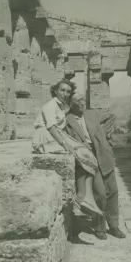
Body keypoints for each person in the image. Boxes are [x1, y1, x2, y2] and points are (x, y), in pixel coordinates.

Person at [32, 79, 103, 217]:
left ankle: (86, 197)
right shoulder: (49, 105)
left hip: (57, 135)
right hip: (46, 137)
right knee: (82, 155)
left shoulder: (63, 106)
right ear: (55, 91)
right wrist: (66, 145)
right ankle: (82, 198)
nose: (65, 93)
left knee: (89, 156)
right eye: (62, 90)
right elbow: (52, 128)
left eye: (68, 91)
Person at [65, 93, 126, 240]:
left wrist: (103, 137)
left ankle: (114, 225)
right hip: (87, 157)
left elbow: (111, 116)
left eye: (82, 100)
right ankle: (99, 227)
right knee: (100, 193)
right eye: (77, 101)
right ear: (71, 104)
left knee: (113, 191)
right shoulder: (67, 119)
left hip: (103, 154)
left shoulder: (92, 113)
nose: (81, 103)